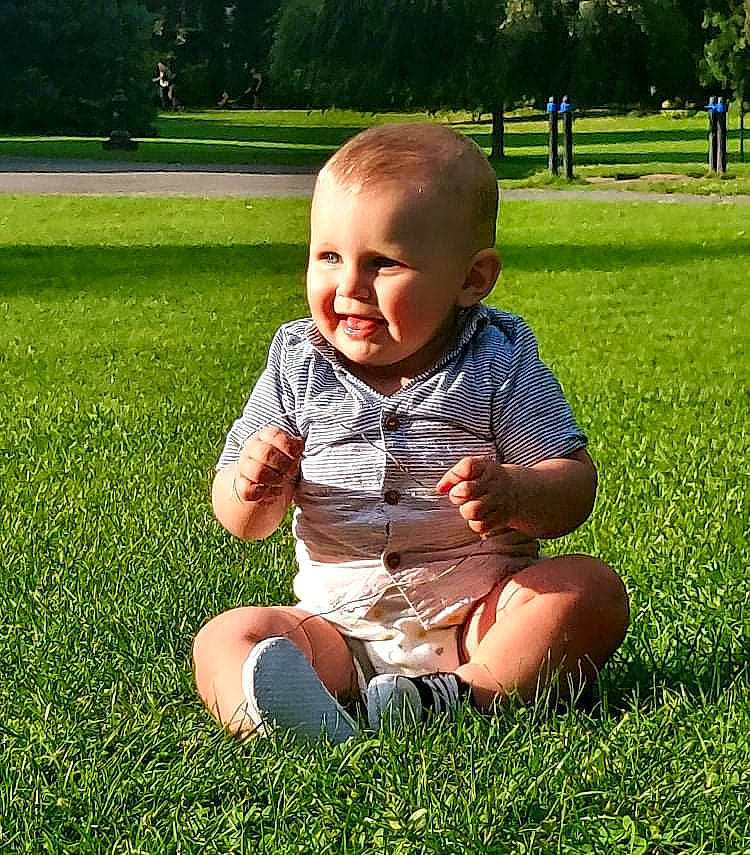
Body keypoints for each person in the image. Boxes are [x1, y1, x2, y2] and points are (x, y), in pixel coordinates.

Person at [192, 123, 629, 742]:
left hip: (479, 618)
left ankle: (459, 698)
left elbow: (573, 487)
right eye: (329, 256)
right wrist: (250, 485)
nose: (348, 287)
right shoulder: (299, 360)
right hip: (336, 628)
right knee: (225, 637)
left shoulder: (497, 359)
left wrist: (517, 495)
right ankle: (283, 718)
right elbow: (241, 521)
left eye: (383, 264)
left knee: (589, 590)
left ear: (472, 279)